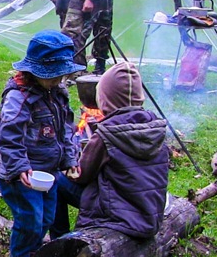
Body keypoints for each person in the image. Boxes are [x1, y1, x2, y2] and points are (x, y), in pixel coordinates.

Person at [0, 30, 84, 257]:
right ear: (35, 71)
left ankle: (35, 252)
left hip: (49, 172)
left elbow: (66, 129)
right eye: (53, 76)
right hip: (22, 174)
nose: (58, 81)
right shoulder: (19, 97)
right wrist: (20, 166)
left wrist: (70, 158)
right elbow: (9, 136)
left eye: (61, 76)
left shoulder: (58, 94)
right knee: (30, 218)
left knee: (46, 218)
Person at [49, 62, 169, 239]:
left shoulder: (107, 133)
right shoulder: (155, 127)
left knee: (56, 180)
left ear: (105, 99)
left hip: (117, 215)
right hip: (149, 215)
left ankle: (60, 240)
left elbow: (82, 175)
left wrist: (69, 164)